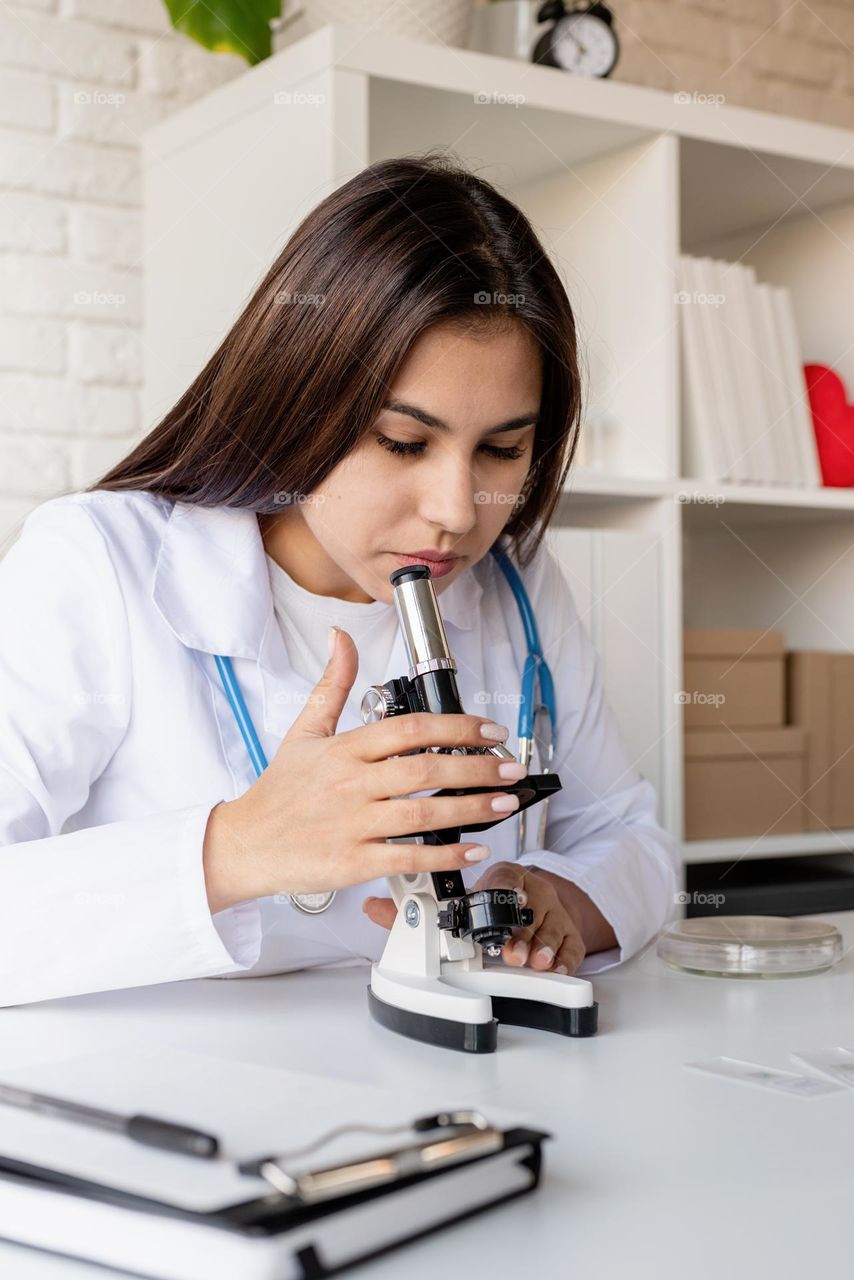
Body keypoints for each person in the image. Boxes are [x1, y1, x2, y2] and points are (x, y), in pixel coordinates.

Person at [0, 153, 680, 1007]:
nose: (457, 511)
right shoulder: (99, 565)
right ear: (297, 393)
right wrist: (239, 847)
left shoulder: (515, 585)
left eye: (502, 449)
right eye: (403, 441)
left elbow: (634, 840)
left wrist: (561, 901)